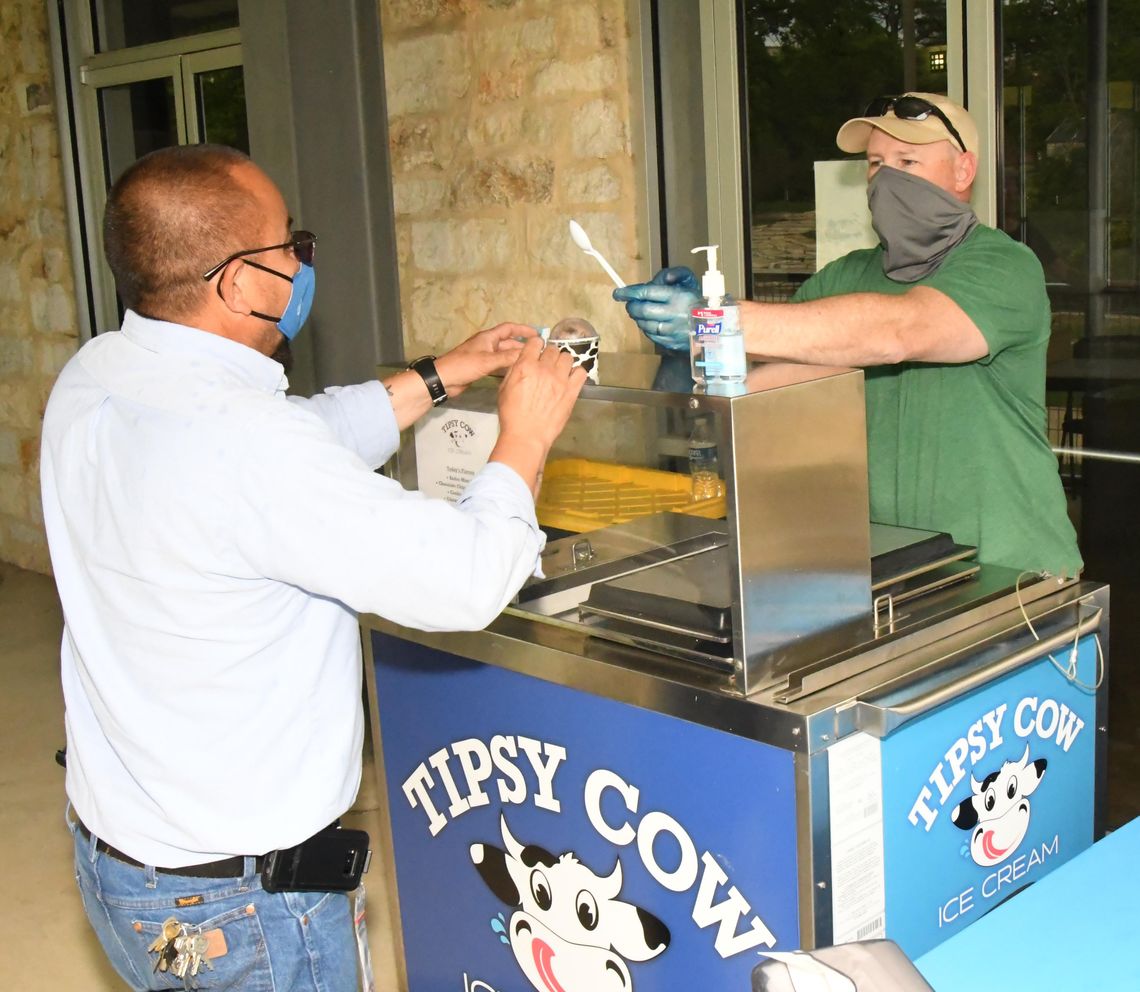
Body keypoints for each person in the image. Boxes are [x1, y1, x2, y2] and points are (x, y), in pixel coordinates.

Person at [40, 143, 585, 991]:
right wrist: (527, 432)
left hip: (125, 860)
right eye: (288, 246)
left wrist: (445, 374)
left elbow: (305, 438)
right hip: (243, 903)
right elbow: (465, 578)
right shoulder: (245, 443)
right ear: (237, 281)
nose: (300, 262)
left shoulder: (98, 373)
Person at [614, 93, 1081, 578]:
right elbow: (770, 378)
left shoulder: (1004, 265)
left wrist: (718, 320)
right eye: (876, 164)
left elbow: (900, 330)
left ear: (963, 172)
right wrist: (694, 344)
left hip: (1013, 573)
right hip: (897, 568)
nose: (887, 179)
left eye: (908, 161)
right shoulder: (845, 277)